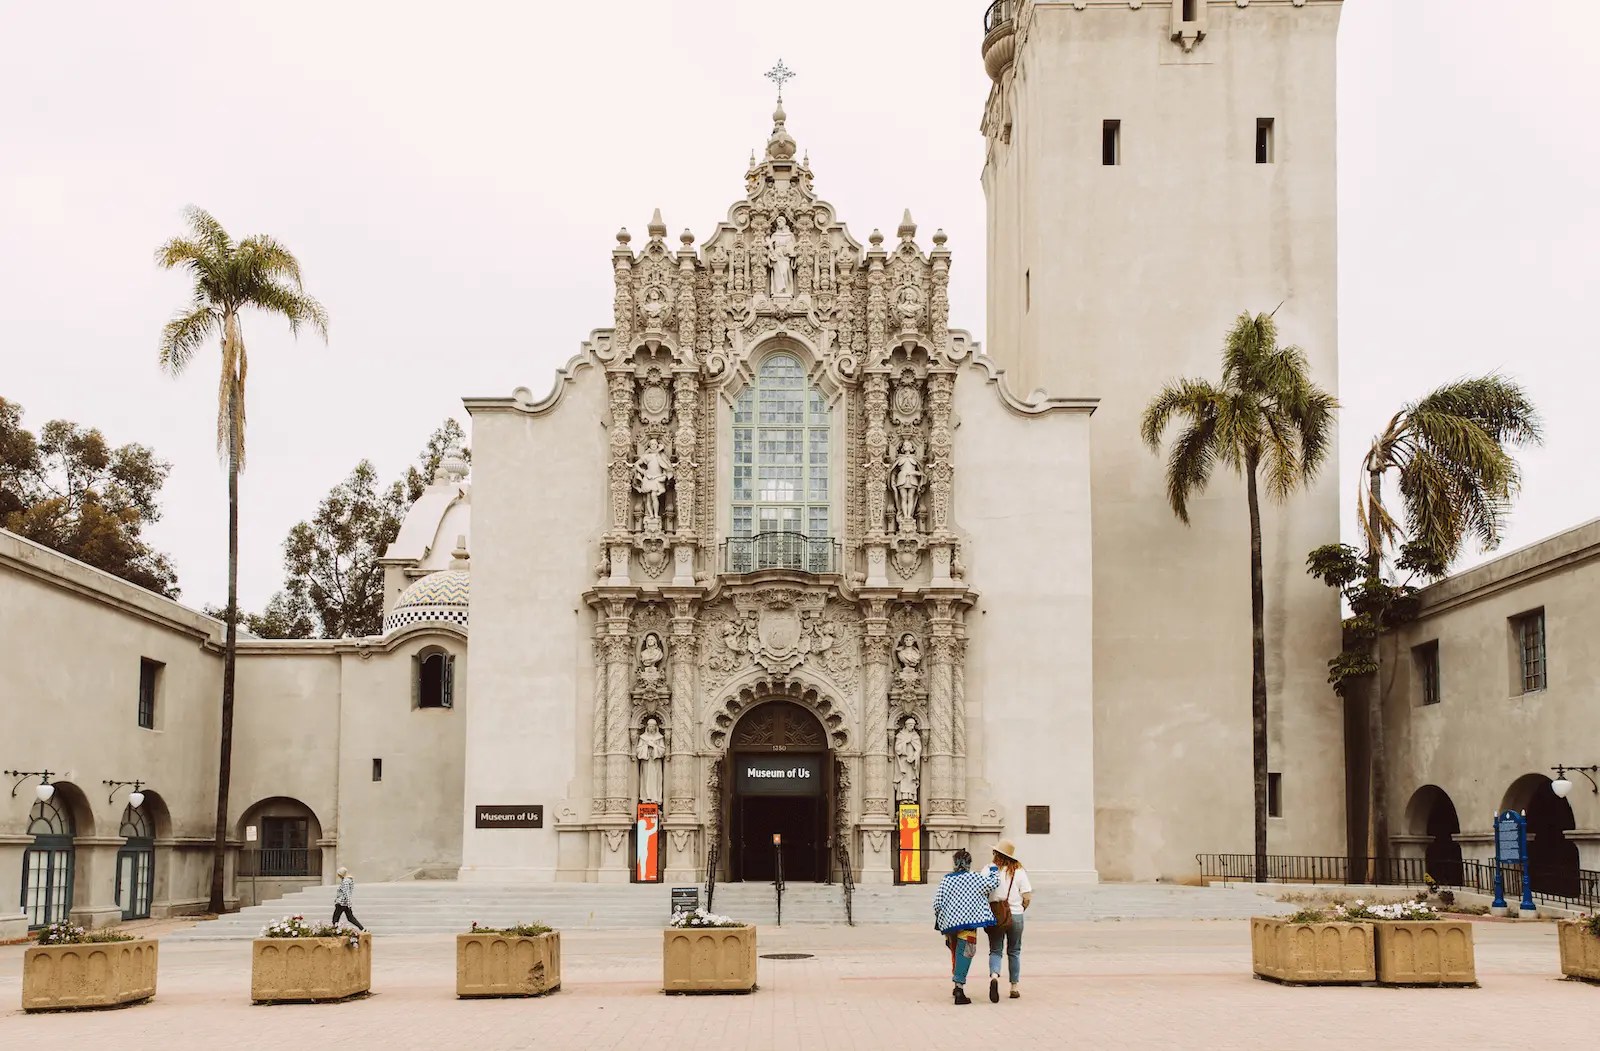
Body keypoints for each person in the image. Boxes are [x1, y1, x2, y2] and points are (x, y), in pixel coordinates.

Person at [931, 847, 998, 1005]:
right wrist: (994, 868)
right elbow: (993, 883)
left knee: (955, 951)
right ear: (969, 863)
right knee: (966, 952)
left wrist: (943, 919)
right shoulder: (975, 877)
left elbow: (937, 903)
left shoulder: (947, 879)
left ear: (954, 863)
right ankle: (959, 988)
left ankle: (956, 984)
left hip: (951, 925)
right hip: (969, 923)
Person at [985, 840, 1033, 1001]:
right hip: (1016, 915)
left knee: (995, 950)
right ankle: (1014, 987)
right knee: (1014, 951)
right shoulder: (1018, 871)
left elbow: (982, 892)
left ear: (996, 854)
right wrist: (1019, 908)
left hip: (996, 915)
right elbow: (1027, 896)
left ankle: (994, 976)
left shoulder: (988, 869)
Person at [331, 866, 366, 931]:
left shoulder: (345, 881)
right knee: (350, 918)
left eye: (339, 874)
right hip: (345, 903)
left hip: (342, 903)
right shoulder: (348, 880)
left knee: (335, 918)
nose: (338, 875)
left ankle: (335, 930)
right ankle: (362, 928)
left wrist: (348, 903)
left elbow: (346, 892)